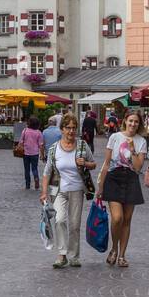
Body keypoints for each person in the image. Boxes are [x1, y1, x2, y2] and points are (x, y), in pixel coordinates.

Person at [40, 114, 96, 269]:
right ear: (62, 129)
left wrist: (85, 163)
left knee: (75, 224)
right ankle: (61, 255)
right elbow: (46, 173)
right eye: (68, 128)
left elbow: (93, 164)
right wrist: (44, 192)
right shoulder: (54, 149)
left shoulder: (83, 146)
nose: (71, 131)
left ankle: (74, 256)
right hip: (59, 190)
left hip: (77, 189)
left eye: (73, 128)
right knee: (59, 220)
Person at [95, 110, 147, 268]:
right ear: (125, 121)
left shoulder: (141, 141)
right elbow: (107, 162)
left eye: (136, 122)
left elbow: (138, 168)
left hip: (131, 179)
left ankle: (122, 255)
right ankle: (114, 248)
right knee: (117, 218)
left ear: (139, 124)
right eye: (131, 121)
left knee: (127, 220)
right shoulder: (115, 137)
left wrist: (132, 150)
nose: (133, 124)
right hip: (114, 178)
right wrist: (100, 186)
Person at [20, 116, 44, 190]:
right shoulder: (39, 132)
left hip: (26, 153)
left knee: (26, 169)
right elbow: (41, 145)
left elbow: (21, 141)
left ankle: (27, 185)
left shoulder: (25, 130)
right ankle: (36, 178)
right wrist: (42, 154)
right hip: (35, 153)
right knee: (34, 168)